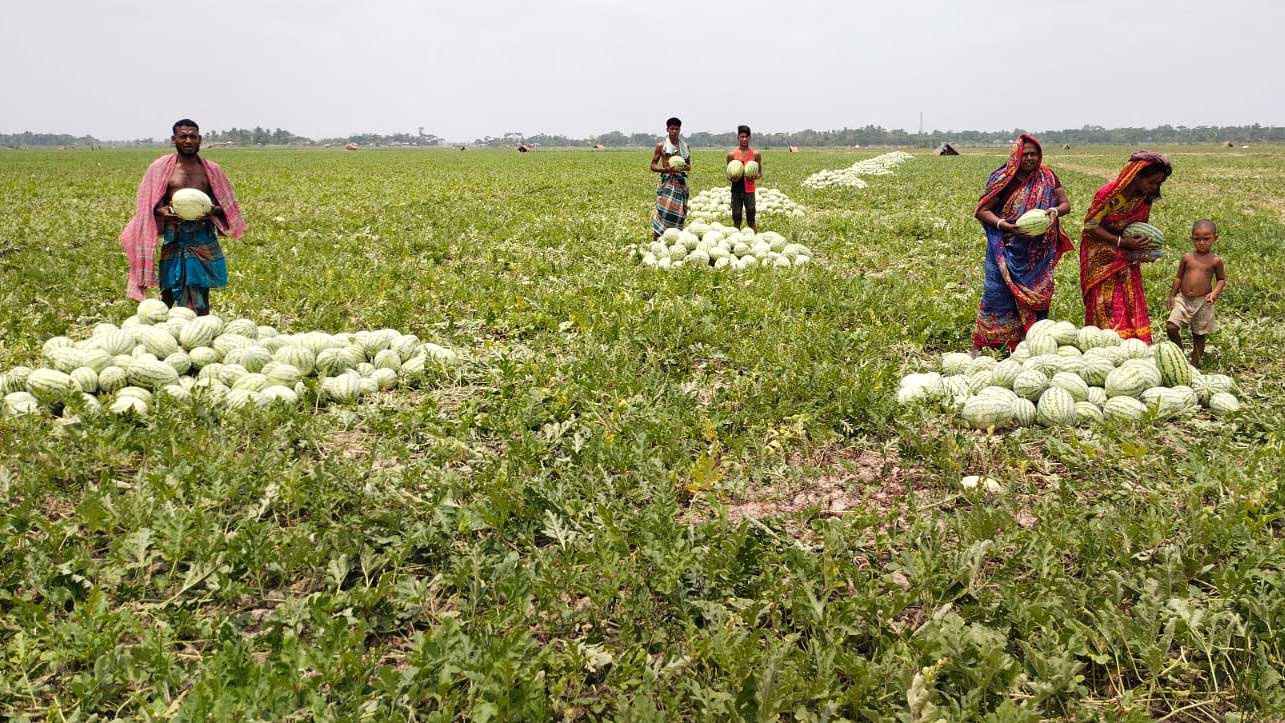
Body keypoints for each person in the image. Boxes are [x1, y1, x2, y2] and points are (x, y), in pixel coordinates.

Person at [119, 119, 246, 312]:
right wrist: (162, 211)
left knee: (201, 288)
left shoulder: (211, 170)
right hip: (174, 235)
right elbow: (149, 204)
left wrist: (211, 210)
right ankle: (167, 326)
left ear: (200, 139)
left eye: (193, 137)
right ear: (174, 139)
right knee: (169, 286)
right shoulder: (160, 168)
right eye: (183, 136)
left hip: (201, 234)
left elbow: (226, 206)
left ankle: (201, 326)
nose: (188, 141)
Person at [970, 134, 1073, 352]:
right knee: (997, 293)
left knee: (1037, 296)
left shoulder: (1048, 177)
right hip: (1007, 250)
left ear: (1040, 155)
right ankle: (991, 343)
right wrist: (1003, 225)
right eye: (1024, 154)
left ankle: (1032, 342)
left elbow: (1065, 204)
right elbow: (982, 210)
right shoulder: (1003, 179)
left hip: (1037, 253)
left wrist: (1054, 210)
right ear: (1015, 155)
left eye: (1033, 154)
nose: (1029, 158)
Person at [1079, 151, 1173, 341]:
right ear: (1136, 176)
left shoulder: (1143, 199)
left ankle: (1133, 342)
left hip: (1126, 256)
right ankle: (1106, 342)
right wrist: (1121, 242)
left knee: (1129, 297)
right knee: (1106, 301)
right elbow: (1090, 226)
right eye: (1151, 182)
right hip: (1101, 255)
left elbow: (1137, 229)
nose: (1154, 188)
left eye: (1158, 184)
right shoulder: (1111, 194)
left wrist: (1144, 252)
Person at [1166, 220, 1226, 366]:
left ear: (1215, 238)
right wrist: (1172, 295)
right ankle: (1179, 353)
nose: (1201, 242)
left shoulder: (1215, 261)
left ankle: (1193, 364)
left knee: (1199, 334)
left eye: (1206, 239)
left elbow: (1221, 280)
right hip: (1183, 299)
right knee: (1171, 327)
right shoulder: (1187, 257)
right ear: (1191, 238)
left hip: (1203, 302)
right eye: (1197, 239)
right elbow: (1179, 277)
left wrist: (1214, 294)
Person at [650, 117, 691, 240]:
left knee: (679, 214)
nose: (674, 131)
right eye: (672, 129)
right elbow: (652, 165)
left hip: (680, 182)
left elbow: (689, 166)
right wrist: (666, 170)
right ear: (667, 129)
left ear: (680, 130)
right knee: (663, 212)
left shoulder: (684, 146)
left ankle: (674, 240)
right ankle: (655, 242)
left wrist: (682, 167)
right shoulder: (661, 146)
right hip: (667, 182)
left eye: (676, 129)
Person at [726, 125, 762, 231]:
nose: (744, 139)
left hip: (749, 190)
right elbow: (728, 174)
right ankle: (736, 238)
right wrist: (732, 178)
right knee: (736, 218)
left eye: (746, 137)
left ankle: (755, 239)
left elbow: (760, 172)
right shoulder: (731, 155)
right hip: (736, 190)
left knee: (751, 218)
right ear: (738, 137)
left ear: (750, 137)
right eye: (742, 136)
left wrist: (756, 176)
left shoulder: (756, 154)